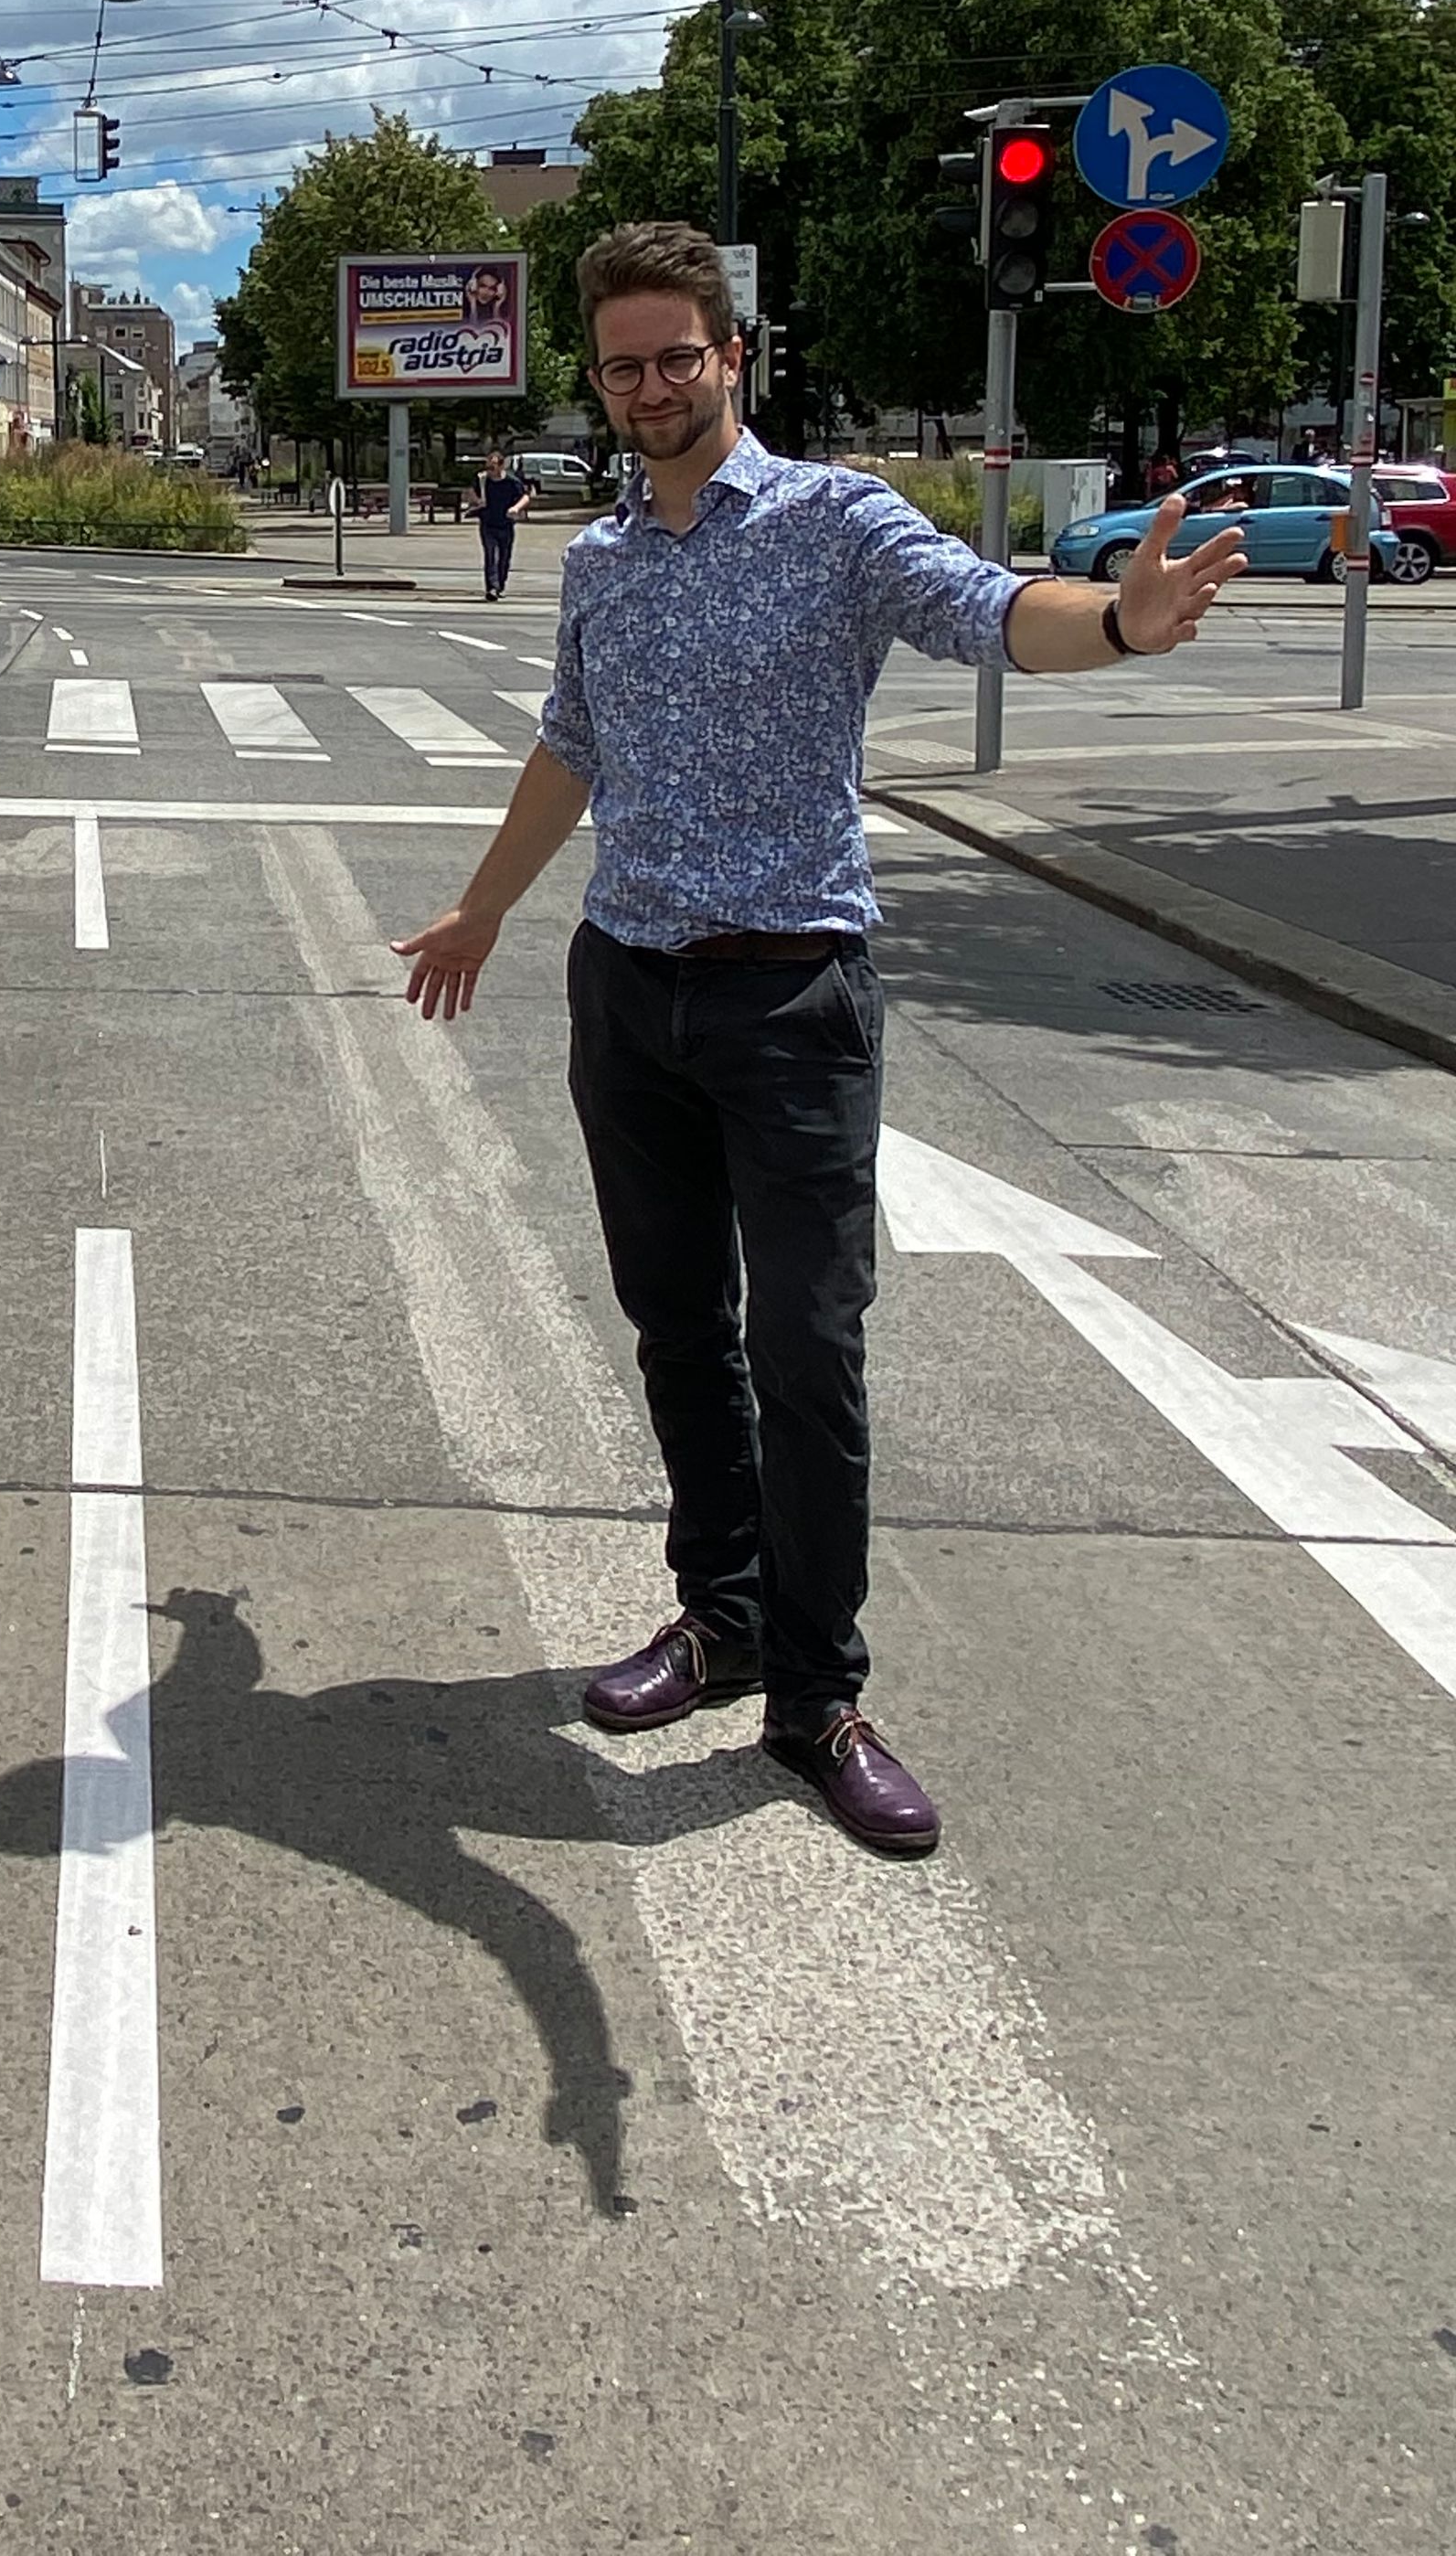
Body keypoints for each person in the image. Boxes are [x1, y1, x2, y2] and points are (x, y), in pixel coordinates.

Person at [393, 219, 1242, 1858]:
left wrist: (1120, 624)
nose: (651, 386)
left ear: (732, 357)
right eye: (624, 363)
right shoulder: (601, 559)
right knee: (675, 1327)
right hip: (626, 989)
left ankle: (818, 1697)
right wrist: (487, 904)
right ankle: (716, 1621)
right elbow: (572, 745)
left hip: (793, 998)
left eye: (677, 358)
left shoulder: (839, 522)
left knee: (811, 1350)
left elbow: (994, 611)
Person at [475, 448, 533, 602]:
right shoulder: (482, 480)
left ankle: (500, 585)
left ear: (501, 467)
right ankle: (492, 588)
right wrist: (475, 500)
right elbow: (470, 493)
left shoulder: (512, 482)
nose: (489, 471)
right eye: (488, 467)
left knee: (504, 557)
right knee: (490, 556)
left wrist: (516, 508)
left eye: (492, 467)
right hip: (488, 524)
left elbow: (525, 497)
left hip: (506, 525)